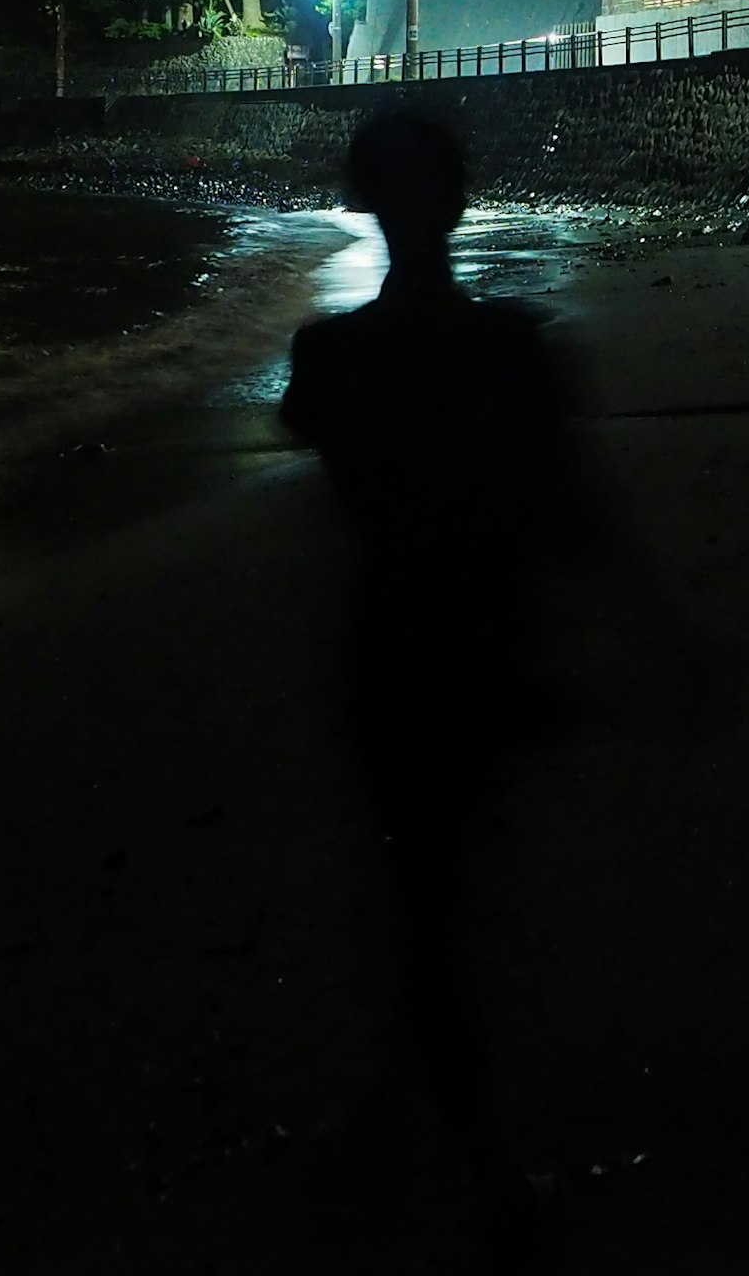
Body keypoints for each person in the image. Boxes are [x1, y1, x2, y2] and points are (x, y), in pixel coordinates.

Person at [280, 112, 608, 1256]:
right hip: (490, 645)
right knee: (443, 901)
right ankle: (467, 1158)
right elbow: (575, 513)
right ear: (462, 201)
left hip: (388, 652)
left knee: (421, 898)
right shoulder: (516, 350)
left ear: (359, 200)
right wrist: (658, 637)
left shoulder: (327, 363)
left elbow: (339, 481)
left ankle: (402, 1125)